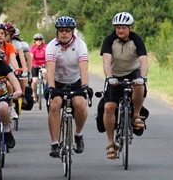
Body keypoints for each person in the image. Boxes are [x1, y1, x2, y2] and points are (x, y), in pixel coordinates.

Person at [100, 12, 148, 160]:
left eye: (123, 28)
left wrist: (143, 78)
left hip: (132, 72)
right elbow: (106, 61)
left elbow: (144, 61)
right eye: (118, 27)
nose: (120, 30)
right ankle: (111, 143)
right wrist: (109, 78)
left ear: (130, 28)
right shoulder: (109, 40)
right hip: (114, 75)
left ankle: (136, 115)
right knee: (108, 108)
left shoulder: (136, 39)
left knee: (139, 86)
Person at [45, 16, 92, 158]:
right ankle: (54, 144)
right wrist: (51, 88)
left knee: (80, 104)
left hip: (75, 81)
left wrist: (85, 86)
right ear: (57, 32)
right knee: (55, 105)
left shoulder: (80, 45)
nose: (64, 33)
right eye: (61, 30)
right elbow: (51, 70)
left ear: (72, 31)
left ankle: (78, 134)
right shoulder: (51, 46)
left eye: (67, 30)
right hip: (57, 81)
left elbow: (83, 69)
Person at [0, 23, 21, 119]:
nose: (0, 36)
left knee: (8, 85)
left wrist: (17, 69)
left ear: (5, 35)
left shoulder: (9, 46)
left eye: (2, 34)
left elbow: (13, 59)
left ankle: (11, 108)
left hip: (4, 72)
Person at [30, 33, 47, 102]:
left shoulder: (45, 47)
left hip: (44, 64)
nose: (38, 41)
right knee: (34, 81)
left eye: (40, 40)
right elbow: (31, 56)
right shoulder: (33, 48)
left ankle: (47, 92)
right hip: (35, 65)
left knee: (45, 75)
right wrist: (30, 65)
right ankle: (33, 93)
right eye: (37, 40)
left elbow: (48, 55)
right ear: (34, 41)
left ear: (42, 40)